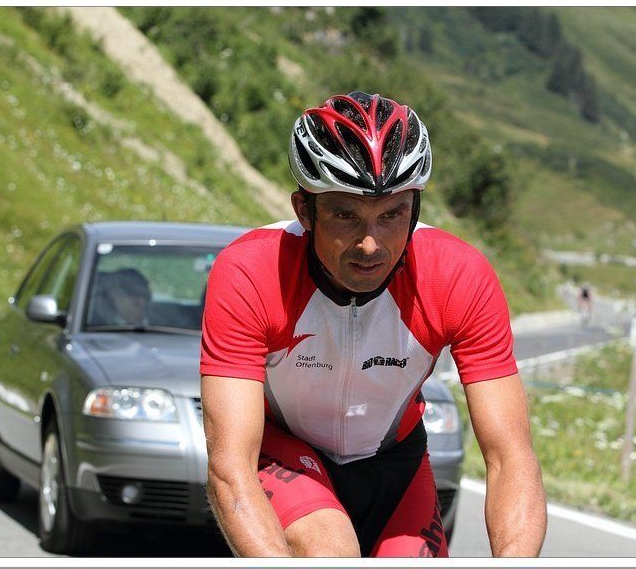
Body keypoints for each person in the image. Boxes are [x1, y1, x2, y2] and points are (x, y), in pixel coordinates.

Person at [200, 91, 547, 558]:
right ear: (305, 211)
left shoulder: (457, 276)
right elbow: (230, 466)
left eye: (391, 215)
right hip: (284, 451)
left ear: (415, 210)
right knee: (330, 550)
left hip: (396, 462)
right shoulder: (251, 272)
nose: (370, 244)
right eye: (345, 215)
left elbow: (510, 458)